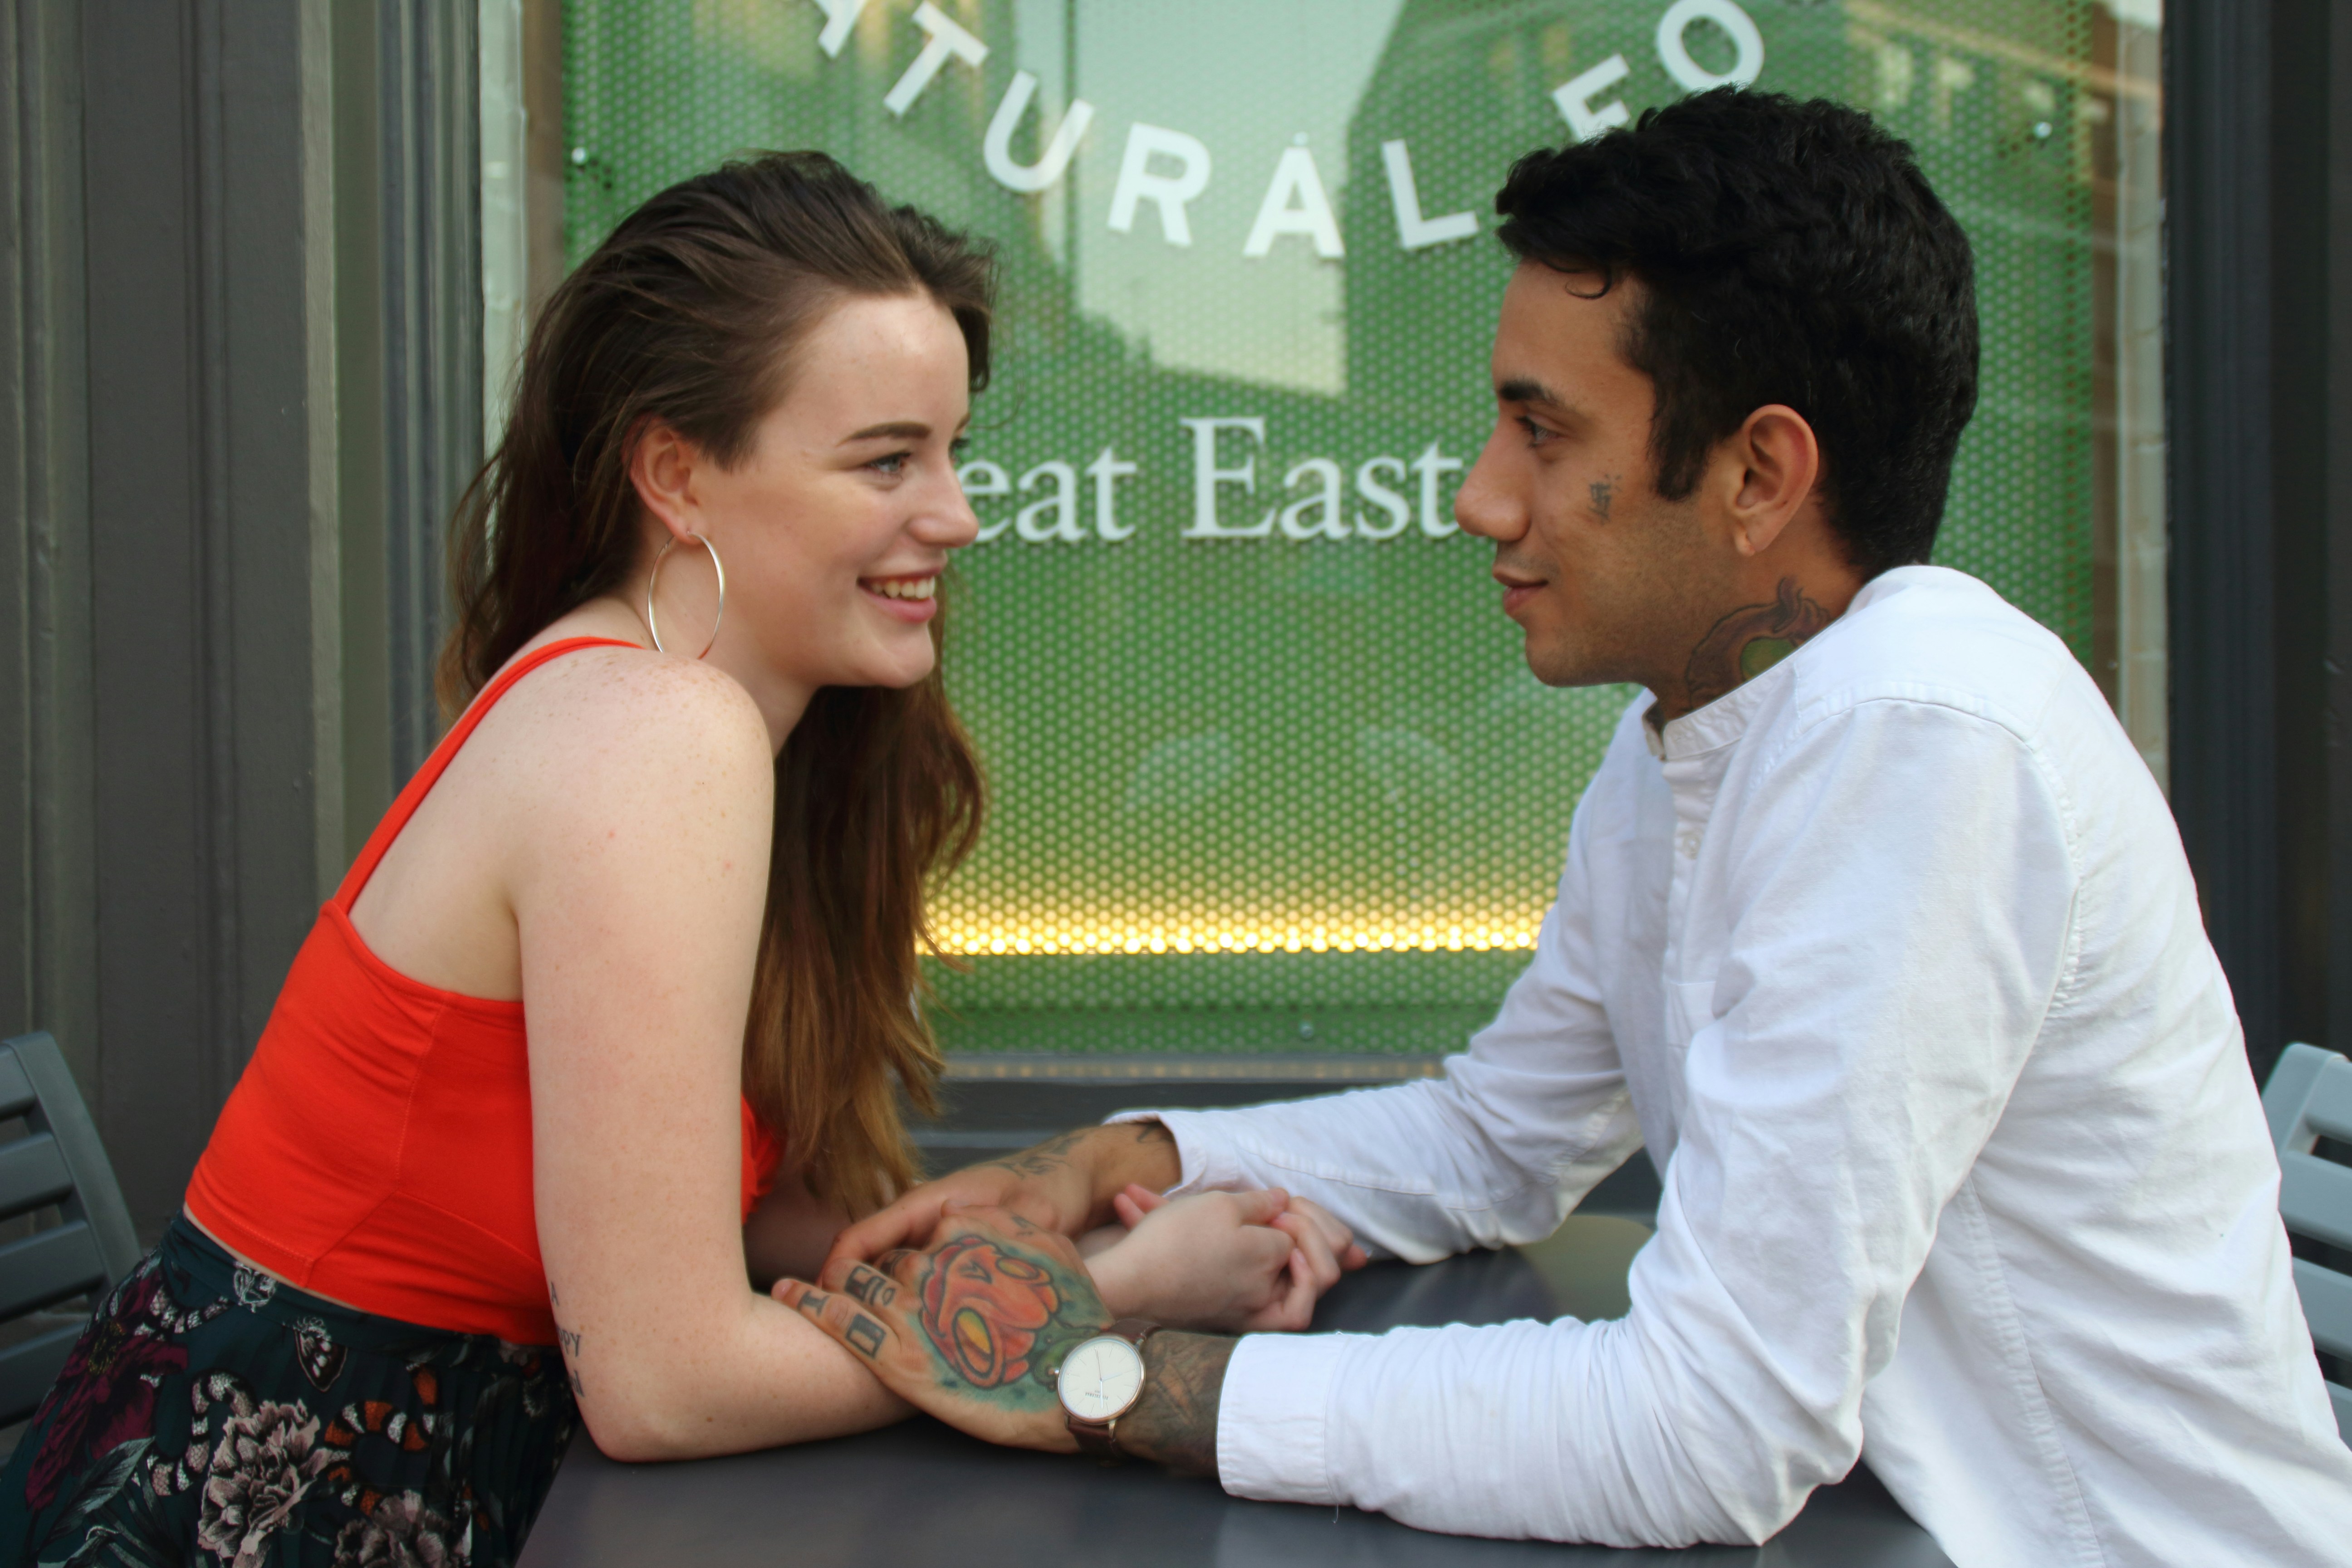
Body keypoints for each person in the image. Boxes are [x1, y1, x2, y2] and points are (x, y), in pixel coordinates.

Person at [786, 93, 2352, 1567]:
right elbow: (1503, 1139)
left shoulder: (1920, 739)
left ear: (1760, 473)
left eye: (1543, 432)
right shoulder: (1702, 730)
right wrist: (1113, 1159)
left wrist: (1106, 1384)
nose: (1482, 497)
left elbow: (1710, 1431)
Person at [0, 153, 1354, 1568]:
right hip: (258, 1518)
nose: (954, 514)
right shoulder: (656, 732)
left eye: (955, 452)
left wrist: (991, 1221)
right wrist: (1109, 1290)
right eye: (889, 459)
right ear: (676, 474)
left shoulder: (679, 711)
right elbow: (665, 1383)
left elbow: (710, 1215)